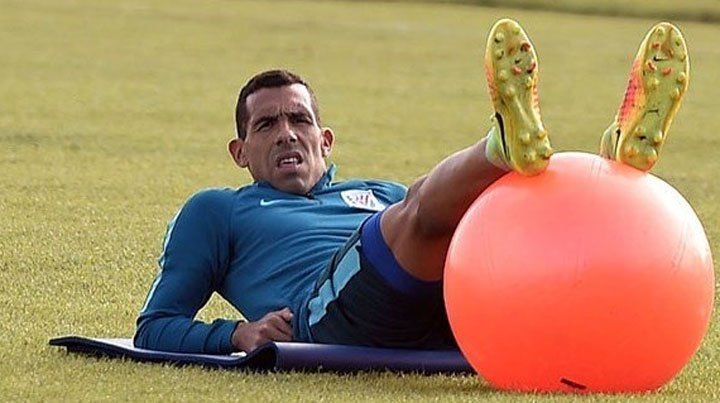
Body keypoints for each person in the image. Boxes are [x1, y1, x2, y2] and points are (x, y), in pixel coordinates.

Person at [134, 19, 689, 354]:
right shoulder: (219, 211)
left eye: (299, 120)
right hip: (332, 314)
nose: (286, 134)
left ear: (325, 141)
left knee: (500, 210)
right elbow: (154, 327)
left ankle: (607, 171)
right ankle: (501, 147)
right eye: (266, 125)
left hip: (456, 308)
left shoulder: (376, 191)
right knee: (420, 208)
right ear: (239, 153)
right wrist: (235, 335)